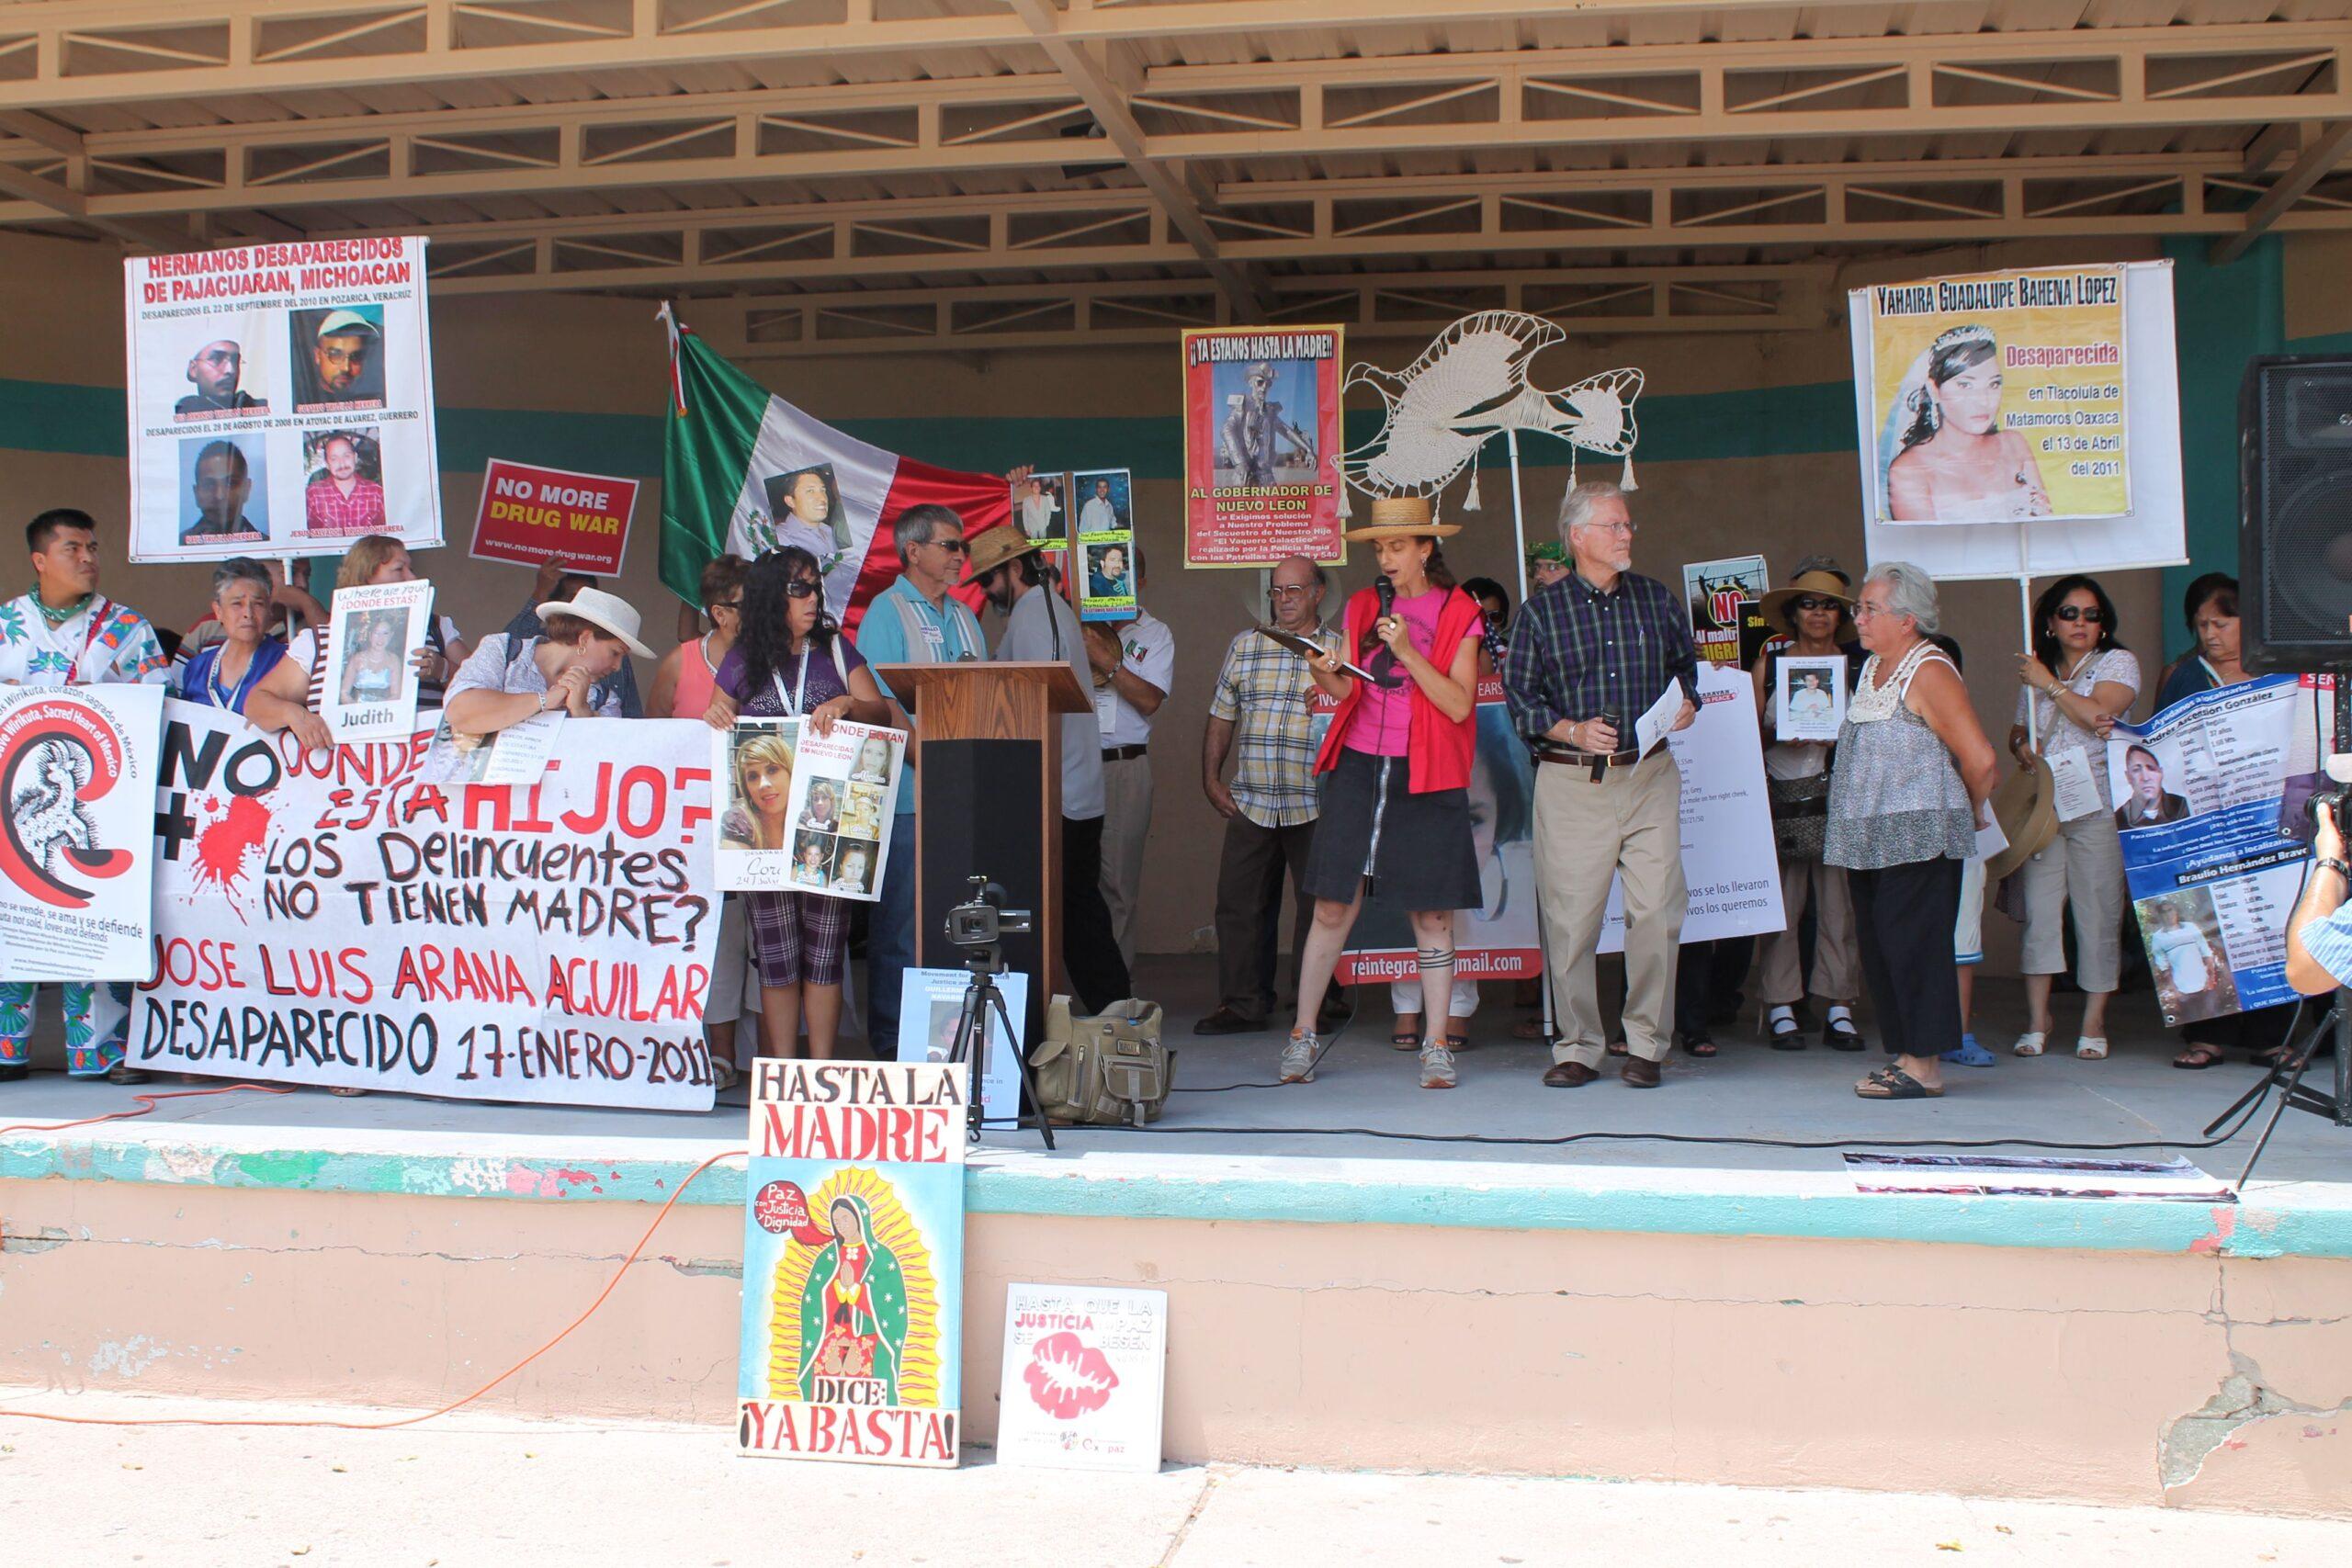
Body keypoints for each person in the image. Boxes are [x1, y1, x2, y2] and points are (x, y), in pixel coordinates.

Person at [1503, 481, 1699, 1090]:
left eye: (1628, 524)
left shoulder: (1657, 600)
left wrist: (1687, 702)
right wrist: (1572, 729)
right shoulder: (1540, 613)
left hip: (1650, 774)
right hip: (1572, 783)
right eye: (1615, 525)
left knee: (1657, 912)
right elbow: (1521, 702)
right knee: (1571, 921)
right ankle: (1579, 1045)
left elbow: (1685, 671)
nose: (1627, 534)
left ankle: (1645, 1043)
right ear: (1578, 536)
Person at [1286, 495, 1484, 1091]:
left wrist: (1405, 651)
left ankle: (1436, 1044)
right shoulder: (1365, 603)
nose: (1387, 556)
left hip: (1426, 770)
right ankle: (1301, 1033)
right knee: (1330, 904)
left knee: (1431, 913)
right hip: (1359, 765)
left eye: (1398, 545)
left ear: (1427, 548)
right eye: (1379, 547)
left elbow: (1457, 702)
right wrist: (1323, 666)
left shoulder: (1459, 609)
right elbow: (1343, 690)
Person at [0, 509, 172, 1087]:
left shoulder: (125, 628)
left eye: (93, 547)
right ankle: (6, 1048)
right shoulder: (6, 626)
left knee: (93, 911)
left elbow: (160, 703)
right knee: (14, 915)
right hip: (14, 802)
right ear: (40, 560)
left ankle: (98, 1050)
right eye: (73, 548)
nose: (89, 558)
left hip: (102, 799)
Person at [704, 547, 893, 1063]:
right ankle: (785, 1073)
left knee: (825, 953)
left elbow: (882, 711)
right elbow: (720, 714)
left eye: (815, 588)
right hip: (763, 832)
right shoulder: (744, 657)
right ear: (771, 596)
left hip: (825, 825)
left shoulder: (835, 649)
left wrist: (849, 704)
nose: (813, 598)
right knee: (776, 958)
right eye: (799, 589)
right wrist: (717, 713)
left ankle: (820, 1070)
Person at [1826, 563, 1999, 1100]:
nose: (1858, 616)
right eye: (1860, 607)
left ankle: (1925, 1065)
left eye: (1869, 608)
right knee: (1883, 947)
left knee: (1916, 946)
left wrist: (1965, 810)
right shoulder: (1873, 666)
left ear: (1907, 619)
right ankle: (1905, 1056)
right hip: (1872, 835)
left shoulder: (1930, 669)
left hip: (1920, 832)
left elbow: (1981, 758)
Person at [972, 526, 1134, 1014]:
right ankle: (1115, 1014)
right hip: (1064, 788)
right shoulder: (1039, 610)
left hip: (1058, 792)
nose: (985, 591)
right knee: (1075, 917)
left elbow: (1039, 697)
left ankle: (1118, 1018)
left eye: (988, 580)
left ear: (1014, 570)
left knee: (1076, 919)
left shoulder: (1038, 612)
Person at [854, 503, 986, 1055]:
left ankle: (950, 1046)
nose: (961, 556)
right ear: (914, 550)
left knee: (957, 922)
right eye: (950, 546)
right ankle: (891, 1046)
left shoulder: (964, 615)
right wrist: (930, 761)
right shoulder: (887, 611)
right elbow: (880, 704)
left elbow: (986, 696)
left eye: (962, 547)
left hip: (964, 796)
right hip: (908, 796)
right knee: (900, 929)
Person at [1198, 555, 1343, 1037]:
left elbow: (1359, 719)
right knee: (1239, 905)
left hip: (1315, 799)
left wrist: (1331, 700)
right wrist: (1211, 777)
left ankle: (1316, 1001)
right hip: (1252, 798)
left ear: (1318, 592)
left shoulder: (1338, 650)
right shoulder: (1245, 645)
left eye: (1294, 590)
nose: (1284, 600)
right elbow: (1222, 715)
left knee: (1319, 907)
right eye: (1277, 591)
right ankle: (1242, 1004)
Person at [2009, 573, 2139, 1060]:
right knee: (2040, 914)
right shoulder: (2033, 670)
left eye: (2091, 614)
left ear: (2104, 624)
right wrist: (2021, 748)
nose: (2081, 622)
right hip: (2045, 806)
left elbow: (2101, 717)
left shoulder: (2118, 662)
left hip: (2098, 805)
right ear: (2050, 621)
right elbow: (2017, 730)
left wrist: (2050, 685)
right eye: (2069, 613)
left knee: (2098, 912)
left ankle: (2094, 1021)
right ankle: (2038, 1019)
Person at [1748, 564, 1865, 1051]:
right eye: (1810, 604)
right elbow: (1747, 737)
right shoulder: (1770, 668)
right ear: (1794, 613)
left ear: (1842, 615)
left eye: (1830, 605)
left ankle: (1839, 1004)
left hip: (1841, 795)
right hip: (1782, 794)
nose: (1819, 613)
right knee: (1784, 905)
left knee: (1839, 904)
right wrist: (1781, 734)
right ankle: (1780, 1005)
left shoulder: (1860, 668)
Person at [254, 535, 466, 743]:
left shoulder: (436, 628)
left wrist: (444, 669)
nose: (412, 578)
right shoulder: (316, 641)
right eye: (399, 569)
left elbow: (485, 684)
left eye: (411, 569)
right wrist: (295, 715)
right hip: (344, 772)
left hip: (418, 768)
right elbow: (258, 702)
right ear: (366, 576)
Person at [1086, 549, 1173, 969]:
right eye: (1106, 574)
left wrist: (1107, 660)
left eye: (1122, 575)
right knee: (1067, 879)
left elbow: (1149, 700)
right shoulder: (1077, 625)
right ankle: (1071, 988)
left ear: (1138, 581)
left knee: (1118, 885)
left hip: (1124, 767)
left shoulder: (1156, 634)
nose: (1113, 581)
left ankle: (1116, 994)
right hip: (1073, 764)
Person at [1883, 323, 2052, 522]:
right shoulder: (1909, 471)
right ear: (1934, 390)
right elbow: (1923, 549)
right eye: (1965, 385)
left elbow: (2045, 528)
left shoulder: (2013, 444)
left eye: (1993, 384)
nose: (1983, 400)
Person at [503, 558, 643, 717]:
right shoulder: (512, 648)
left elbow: (631, 718)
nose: (616, 665)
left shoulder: (616, 660)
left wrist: (582, 711)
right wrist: (540, 593)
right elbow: (510, 639)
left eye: (587, 599)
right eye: (571, 597)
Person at [176, 558, 288, 715]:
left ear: (269, 609)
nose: (248, 614)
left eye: (258, 604)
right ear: (218, 611)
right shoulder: (197, 668)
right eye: (237, 604)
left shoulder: (288, 662)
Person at [649, 556, 748, 720]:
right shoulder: (678, 663)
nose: (761, 610)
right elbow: (653, 732)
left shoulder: (775, 658)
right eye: (748, 605)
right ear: (720, 614)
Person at [2155, 572, 2247, 709]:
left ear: (2246, 621)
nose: (2209, 634)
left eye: (2220, 625)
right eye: (2203, 625)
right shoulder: (2184, 675)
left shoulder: (2273, 671)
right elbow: (2161, 727)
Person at [2145, 900, 2222, 1023]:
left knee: (2215, 1018)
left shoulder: (2190, 927)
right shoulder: (2158, 938)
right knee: (2194, 1022)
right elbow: (2164, 967)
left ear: (2176, 911)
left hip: (2205, 985)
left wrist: (2212, 977)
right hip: (2183, 990)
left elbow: (2206, 952)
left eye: (2170, 910)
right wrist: (2175, 990)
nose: (2168, 914)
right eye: (2163, 912)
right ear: (2160, 915)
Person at [181, 439, 266, 545]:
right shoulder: (179, 544)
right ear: (196, 494)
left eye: (230, 483)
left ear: (246, 489)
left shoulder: (264, 543)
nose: (220, 496)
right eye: (209, 485)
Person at [303, 433, 386, 536]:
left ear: (355, 458)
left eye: (346, 456)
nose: (342, 464)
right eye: (334, 459)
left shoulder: (376, 492)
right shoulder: (313, 494)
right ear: (327, 464)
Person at [303, 309, 380, 408]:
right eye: (336, 355)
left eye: (356, 356)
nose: (346, 368)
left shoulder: (374, 400)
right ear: (318, 355)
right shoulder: (303, 400)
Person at [175, 339, 266, 418]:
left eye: (235, 361)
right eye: (216, 359)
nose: (230, 370)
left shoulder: (260, 407)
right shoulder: (183, 412)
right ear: (193, 369)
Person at [337, 612, 407, 705]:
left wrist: (379, 709)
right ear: (370, 635)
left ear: (391, 635)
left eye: (385, 633)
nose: (380, 638)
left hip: (384, 713)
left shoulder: (394, 660)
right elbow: (344, 693)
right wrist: (354, 708)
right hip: (356, 713)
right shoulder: (357, 658)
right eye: (376, 633)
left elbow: (396, 695)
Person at [2114, 744, 2189, 828]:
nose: (2146, 778)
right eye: (2136, 770)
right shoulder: (2119, 818)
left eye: (2151, 768)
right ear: (2128, 777)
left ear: (2161, 773)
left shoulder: (2183, 807)